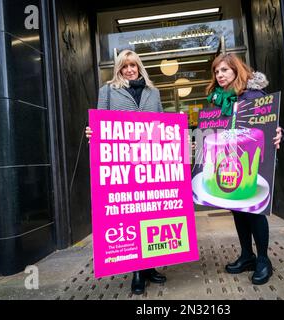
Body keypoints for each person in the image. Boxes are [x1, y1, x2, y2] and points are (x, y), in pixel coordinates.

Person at [85, 50, 166, 295]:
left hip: (151, 164)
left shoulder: (154, 92)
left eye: (133, 65)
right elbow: (100, 124)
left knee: (151, 215)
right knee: (132, 217)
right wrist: (93, 134)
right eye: (125, 66)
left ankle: (150, 265)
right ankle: (137, 272)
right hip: (124, 166)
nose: (130, 69)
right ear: (119, 69)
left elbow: (162, 123)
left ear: (139, 67)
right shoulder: (107, 91)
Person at [205, 53, 283, 285]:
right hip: (229, 162)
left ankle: (263, 260)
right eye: (216, 71)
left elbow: (271, 124)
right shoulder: (219, 99)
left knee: (254, 209)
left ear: (236, 70)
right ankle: (247, 255)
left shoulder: (253, 95)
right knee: (237, 209)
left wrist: (278, 133)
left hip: (253, 162)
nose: (219, 75)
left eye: (224, 71)